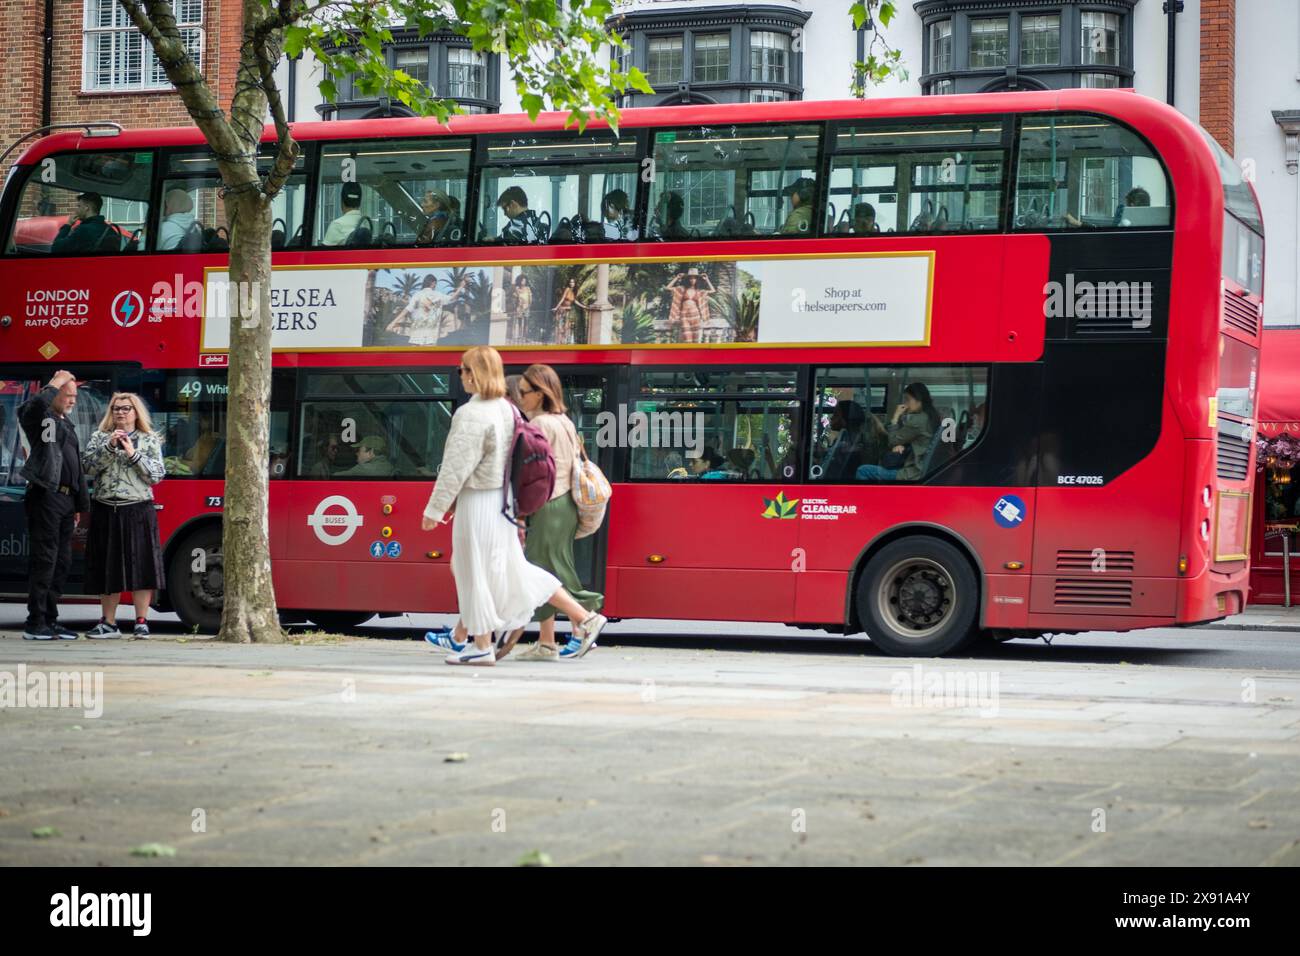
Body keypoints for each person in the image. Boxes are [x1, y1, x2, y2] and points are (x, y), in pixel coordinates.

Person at [420, 346, 607, 666]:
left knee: (472, 570)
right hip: (502, 501)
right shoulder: (507, 410)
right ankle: (582, 616)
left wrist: (435, 509)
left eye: (463, 370)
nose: (461, 375)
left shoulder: (472, 412)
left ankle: (480, 645)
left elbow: (456, 466)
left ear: (475, 373)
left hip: (478, 500)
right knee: (511, 568)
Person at [498, 364, 604, 662]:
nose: (521, 398)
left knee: (547, 573)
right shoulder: (564, 421)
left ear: (540, 393)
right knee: (546, 570)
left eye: (525, 392)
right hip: (564, 504)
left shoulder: (541, 424)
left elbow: (533, 470)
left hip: (550, 504)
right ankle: (547, 642)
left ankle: (588, 617)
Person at [81, 393, 166, 639]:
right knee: (107, 567)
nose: (121, 413)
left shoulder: (149, 439)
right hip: (105, 507)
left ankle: (141, 621)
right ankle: (108, 623)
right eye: (116, 408)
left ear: (136, 412)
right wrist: (109, 447)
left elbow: (157, 476)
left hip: (138, 508)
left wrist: (133, 453)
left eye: (126, 408)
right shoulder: (99, 437)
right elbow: (87, 467)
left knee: (142, 566)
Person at [18, 370, 90, 641]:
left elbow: (77, 468)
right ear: (55, 394)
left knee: (62, 562)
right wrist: (54, 383)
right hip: (45, 495)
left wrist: (80, 505)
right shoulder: (41, 418)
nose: (72, 400)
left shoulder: (67, 424)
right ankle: (35, 622)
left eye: (74, 396)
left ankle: (50, 618)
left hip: (66, 500)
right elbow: (31, 408)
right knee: (45, 560)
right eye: (67, 395)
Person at [856, 382, 940, 481]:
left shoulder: (918, 420)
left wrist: (895, 418)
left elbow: (892, 441)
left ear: (919, 399)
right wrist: (902, 445)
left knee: (863, 470)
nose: (905, 404)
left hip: (913, 473)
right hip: (921, 468)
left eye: (908, 399)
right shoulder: (931, 416)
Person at [51, 192, 116, 254]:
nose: (76, 210)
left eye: (79, 206)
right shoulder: (111, 230)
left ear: (86, 208)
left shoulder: (83, 230)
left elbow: (55, 249)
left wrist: (68, 225)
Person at [388, 274, 443, 344]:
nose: (435, 286)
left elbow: (407, 309)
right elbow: (408, 309)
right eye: (435, 283)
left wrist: (393, 323)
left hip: (417, 336)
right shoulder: (435, 296)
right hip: (428, 336)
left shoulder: (418, 295)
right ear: (433, 283)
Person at [666, 268, 715, 344]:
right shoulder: (682, 289)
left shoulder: (699, 291)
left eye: (694, 279)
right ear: (688, 280)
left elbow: (713, 290)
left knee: (695, 340)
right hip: (684, 316)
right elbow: (668, 287)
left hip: (696, 316)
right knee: (687, 339)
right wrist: (677, 278)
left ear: (697, 280)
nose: (692, 280)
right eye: (691, 278)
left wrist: (707, 280)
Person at [321, 182, 364, 246]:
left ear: (342, 201)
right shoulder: (364, 223)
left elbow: (322, 254)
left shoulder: (337, 225)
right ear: (360, 202)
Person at [508, 274, 533, 344]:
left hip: (527, 307)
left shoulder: (528, 289)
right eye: (522, 280)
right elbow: (514, 297)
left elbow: (530, 298)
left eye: (524, 280)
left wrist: (528, 306)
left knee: (526, 322)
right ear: (520, 281)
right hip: (519, 308)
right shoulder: (517, 289)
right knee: (519, 323)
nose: (523, 282)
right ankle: (519, 336)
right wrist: (516, 304)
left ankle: (525, 337)